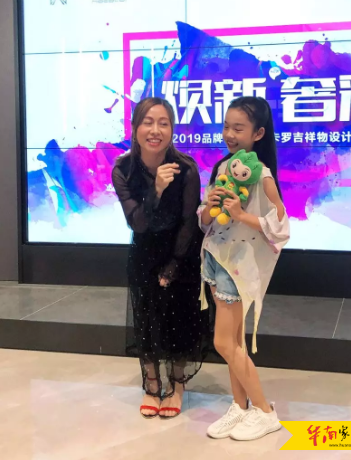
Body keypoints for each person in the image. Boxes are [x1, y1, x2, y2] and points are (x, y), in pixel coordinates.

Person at [198, 96, 290, 441]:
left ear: (258, 133)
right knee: (234, 341)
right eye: (226, 126)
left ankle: (265, 411)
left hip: (238, 267)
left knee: (223, 342)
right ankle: (239, 405)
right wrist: (208, 208)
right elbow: (205, 221)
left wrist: (240, 215)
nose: (229, 134)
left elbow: (280, 226)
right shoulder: (223, 168)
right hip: (215, 258)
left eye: (238, 128)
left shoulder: (263, 175)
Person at [112, 97, 205, 420]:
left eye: (163, 123)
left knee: (180, 318)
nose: (155, 130)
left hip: (181, 251)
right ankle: (152, 385)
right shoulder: (123, 169)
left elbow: (189, 221)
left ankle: (177, 385)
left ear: (172, 129)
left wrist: (175, 264)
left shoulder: (186, 168)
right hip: (144, 251)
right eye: (148, 122)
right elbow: (137, 222)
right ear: (135, 128)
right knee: (146, 317)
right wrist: (157, 189)